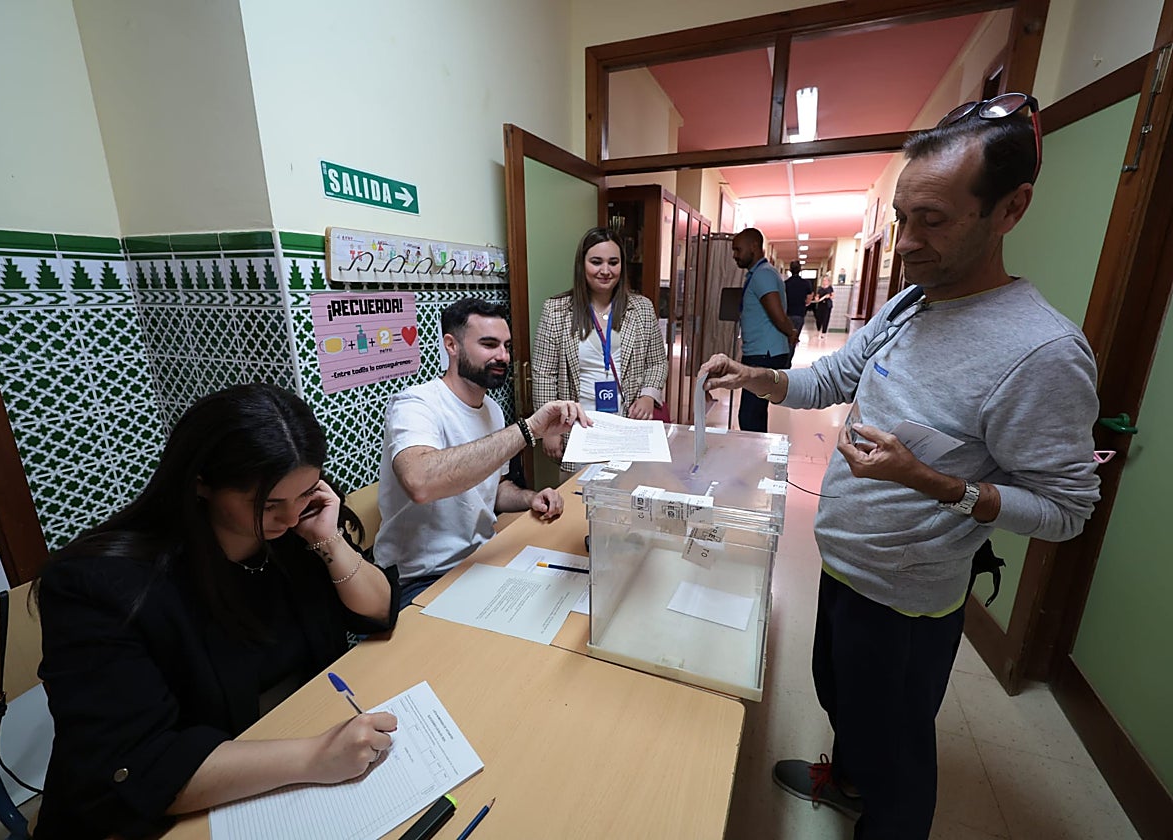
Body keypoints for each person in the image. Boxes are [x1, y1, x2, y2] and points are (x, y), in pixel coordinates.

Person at [700, 92, 1100, 839]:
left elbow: (1067, 510)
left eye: (935, 221)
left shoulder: (1040, 353)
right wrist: (764, 380)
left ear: (1010, 210)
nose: (910, 243)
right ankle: (848, 780)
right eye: (902, 219)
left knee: (899, 757)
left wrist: (933, 482)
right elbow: (834, 377)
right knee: (839, 698)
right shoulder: (912, 302)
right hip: (845, 563)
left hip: (909, 599)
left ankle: (883, 812)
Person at [32, 384, 401, 840]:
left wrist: (327, 539)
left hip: (277, 746)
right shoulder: (98, 586)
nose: (288, 518)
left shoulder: (296, 531)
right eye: (268, 504)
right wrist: (314, 757)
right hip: (161, 811)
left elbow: (378, 611)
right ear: (201, 482)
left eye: (305, 494)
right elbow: (137, 768)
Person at [376, 298, 589, 607]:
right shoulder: (415, 406)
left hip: (478, 559)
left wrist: (530, 498)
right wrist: (528, 430)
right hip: (419, 578)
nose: (502, 356)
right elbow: (420, 481)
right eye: (489, 345)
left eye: (506, 346)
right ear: (451, 345)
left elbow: (495, 489)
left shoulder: (491, 409)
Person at [532, 226, 668, 469]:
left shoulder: (642, 308)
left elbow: (657, 361)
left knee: (624, 496)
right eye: (596, 262)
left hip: (628, 427)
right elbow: (544, 373)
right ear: (582, 265)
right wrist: (549, 429)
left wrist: (649, 395)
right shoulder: (556, 310)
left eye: (613, 262)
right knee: (578, 499)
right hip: (577, 428)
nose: (605, 271)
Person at [732, 227, 796, 432]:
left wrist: (791, 332)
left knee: (750, 416)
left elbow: (777, 314)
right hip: (759, 352)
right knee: (755, 412)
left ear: (754, 247)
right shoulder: (759, 273)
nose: (735, 255)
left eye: (738, 250)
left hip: (764, 354)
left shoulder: (763, 275)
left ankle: (756, 459)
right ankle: (758, 456)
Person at [784, 260, 812, 349]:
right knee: (793, 339)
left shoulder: (785, 283)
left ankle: (784, 361)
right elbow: (808, 300)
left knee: (786, 340)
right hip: (799, 314)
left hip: (787, 315)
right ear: (800, 270)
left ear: (790, 270)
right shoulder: (806, 283)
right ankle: (789, 361)